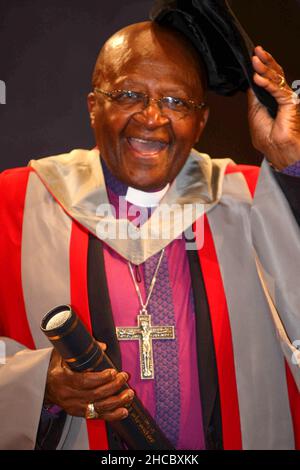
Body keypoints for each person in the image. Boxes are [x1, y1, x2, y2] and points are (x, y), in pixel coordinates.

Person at [0, 19, 299, 451]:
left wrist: (292, 165)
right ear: (92, 105)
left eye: (176, 101)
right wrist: (37, 385)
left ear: (200, 122)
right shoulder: (16, 204)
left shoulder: (253, 200)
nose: (152, 117)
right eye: (128, 95)